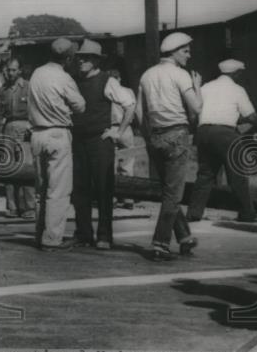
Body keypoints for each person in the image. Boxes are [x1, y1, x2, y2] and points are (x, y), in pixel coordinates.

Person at [135, 32, 203, 260]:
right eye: (185, 51)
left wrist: (147, 136)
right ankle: (160, 243)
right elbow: (196, 109)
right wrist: (197, 87)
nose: (189, 55)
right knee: (174, 194)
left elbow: (139, 112)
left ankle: (184, 237)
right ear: (173, 52)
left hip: (155, 137)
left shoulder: (147, 75)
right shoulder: (181, 75)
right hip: (177, 134)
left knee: (168, 191)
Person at [71, 40, 135, 250]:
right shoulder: (73, 80)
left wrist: (119, 131)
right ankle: (83, 234)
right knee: (80, 190)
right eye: (80, 57)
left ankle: (104, 236)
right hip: (78, 141)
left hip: (100, 141)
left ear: (97, 61)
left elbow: (130, 105)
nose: (82, 60)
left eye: (87, 57)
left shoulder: (107, 81)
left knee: (103, 189)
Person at [27, 38, 86, 250]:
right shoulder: (64, 77)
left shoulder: (36, 73)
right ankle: (52, 238)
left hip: (37, 134)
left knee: (41, 189)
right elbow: (80, 106)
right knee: (58, 190)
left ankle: (39, 233)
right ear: (68, 58)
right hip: (58, 133)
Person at [186, 59, 257, 223]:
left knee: (205, 174)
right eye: (240, 73)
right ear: (236, 73)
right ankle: (247, 213)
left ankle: (193, 213)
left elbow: (200, 112)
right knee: (237, 174)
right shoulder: (237, 89)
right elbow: (251, 116)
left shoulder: (205, 87)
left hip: (204, 132)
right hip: (225, 135)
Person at [0, 58, 37, 219]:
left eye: (13, 70)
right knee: (9, 169)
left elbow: (36, 109)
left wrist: (32, 128)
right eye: (7, 70)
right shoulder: (2, 90)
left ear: (19, 71)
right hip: (8, 130)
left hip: (25, 130)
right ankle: (12, 206)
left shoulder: (29, 87)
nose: (10, 73)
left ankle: (29, 207)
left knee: (26, 168)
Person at [107, 65, 137, 209]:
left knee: (110, 164)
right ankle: (128, 198)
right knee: (127, 164)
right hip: (126, 128)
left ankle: (111, 196)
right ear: (119, 78)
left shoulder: (106, 92)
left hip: (110, 128)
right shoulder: (128, 91)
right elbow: (133, 110)